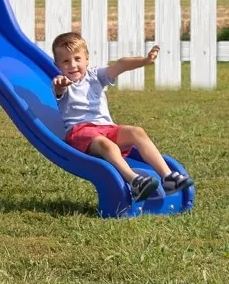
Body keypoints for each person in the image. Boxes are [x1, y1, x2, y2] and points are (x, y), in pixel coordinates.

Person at [51, 32, 193, 201]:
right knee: (107, 145)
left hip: (106, 128)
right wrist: (60, 85)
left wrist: (145, 60)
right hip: (80, 132)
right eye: (66, 61)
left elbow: (120, 64)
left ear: (87, 59)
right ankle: (135, 181)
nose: (72, 65)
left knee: (137, 132)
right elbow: (59, 90)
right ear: (57, 64)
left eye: (77, 59)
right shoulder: (61, 82)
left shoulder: (95, 75)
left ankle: (168, 177)